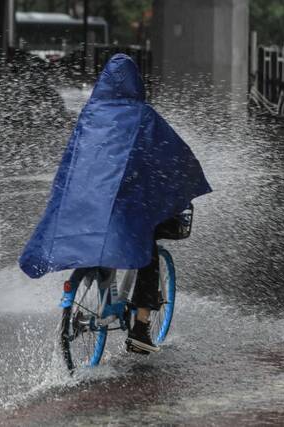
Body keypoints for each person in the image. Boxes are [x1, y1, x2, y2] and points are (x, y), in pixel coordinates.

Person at [19, 54, 211, 354]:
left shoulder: (89, 115)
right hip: (124, 208)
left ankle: (96, 299)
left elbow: (73, 164)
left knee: (99, 237)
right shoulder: (143, 115)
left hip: (85, 204)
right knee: (145, 252)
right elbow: (172, 159)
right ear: (136, 82)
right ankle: (141, 328)